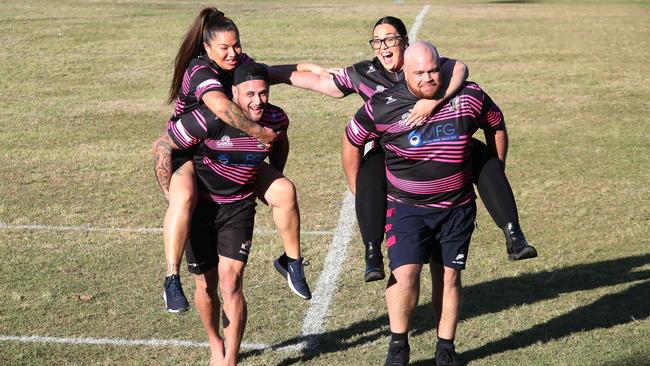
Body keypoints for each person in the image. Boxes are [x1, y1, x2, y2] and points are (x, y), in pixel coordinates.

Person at [272, 16, 536, 283]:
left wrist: (433, 103)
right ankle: (372, 253)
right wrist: (260, 74)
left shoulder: (428, 66)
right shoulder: (364, 73)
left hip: (440, 146)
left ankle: (513, 233)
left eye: (390, 39)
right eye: (377, 41)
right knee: (371, 166)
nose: (383, 47)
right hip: (393, 155)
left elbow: (460, 68)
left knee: (478, 151)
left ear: (405, 42)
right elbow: (318, 79)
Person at [342, 41, 508, 365]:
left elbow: (495, 123)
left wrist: (494, 173)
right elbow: (352, 141)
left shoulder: (466, 95)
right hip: (406, 208)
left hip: (456, 207)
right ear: (404, 71)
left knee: (448, 276)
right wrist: (359, 188)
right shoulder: (383, 106)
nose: (429, 77)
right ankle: (398, 347)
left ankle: (445, 350)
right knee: (405, 274)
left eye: (434, 70)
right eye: (420, 73)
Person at [155, 7, 310, 313]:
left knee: (284, 191)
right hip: (188, 147)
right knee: (183, 197)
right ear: (207, 47)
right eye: (224, 48)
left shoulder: (242, 63)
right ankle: (171, 278)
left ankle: (292, 262)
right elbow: (221, 107)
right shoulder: (199, 70)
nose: (233, 53)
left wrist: (320, 73)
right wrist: (261, 132)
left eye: (236, 45)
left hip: (228, 145)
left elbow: (272, 74)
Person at [153, 62, 287, 365]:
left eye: (263, 93)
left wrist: (272, 177)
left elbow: (277, 144)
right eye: (250, 93)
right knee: (206, 285)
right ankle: (215, 341)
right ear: (234, 92)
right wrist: (169, 193)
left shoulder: (275, 119)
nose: (258, 101)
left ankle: (230, 357)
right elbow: (163, 146)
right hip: (200, 209)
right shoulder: (207, 118)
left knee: (231, 283)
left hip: (238, 208)